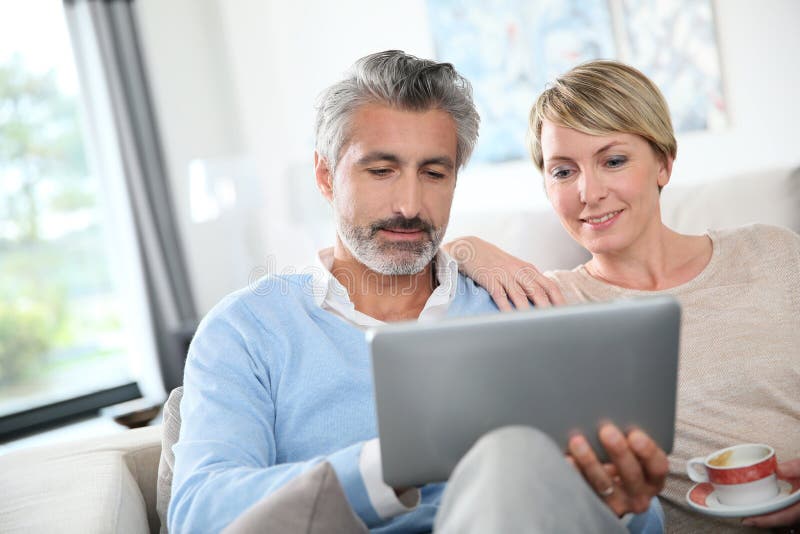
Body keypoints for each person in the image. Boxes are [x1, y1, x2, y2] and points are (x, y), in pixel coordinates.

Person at [167, 51, 668, 533]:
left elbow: (641, 520)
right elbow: (199, 515)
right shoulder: (248, 329)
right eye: (381, 171)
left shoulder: (517, 310)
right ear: (325, 175)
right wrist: (387, 465)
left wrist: (621, 505)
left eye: (433, 173)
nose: (409, 204)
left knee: (509, 459)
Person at [447, 59, 800, 533]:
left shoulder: (771, 252)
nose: (588, 192)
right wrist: (467, 249)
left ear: (663, 163)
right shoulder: (546, 302)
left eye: (613, 161)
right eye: (563, 171)